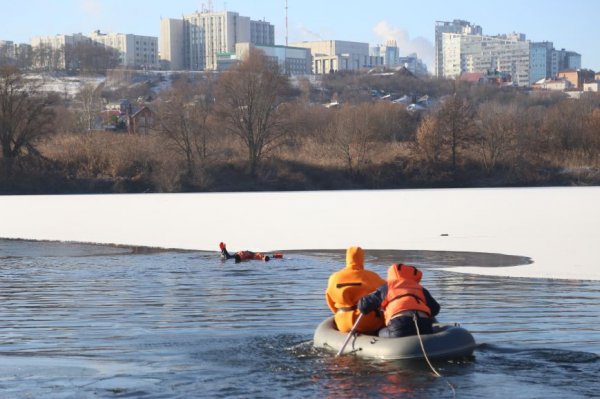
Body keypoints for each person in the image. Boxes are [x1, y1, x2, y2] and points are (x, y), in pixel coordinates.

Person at [358, 263, 440, 338]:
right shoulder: (421, 289)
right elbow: (435, 309)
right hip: (424, 325)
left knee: (379, 332)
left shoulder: (387, 287)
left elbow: (363, 306)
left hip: (399, 325)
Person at [325, 246, 386, 334]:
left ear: (347, 258)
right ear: (362, 259)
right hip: (367, 321)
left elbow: (330, 301)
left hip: (342, 322)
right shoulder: (371, 276)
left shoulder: (334, 277)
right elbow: (385, 291)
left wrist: (338, 313)